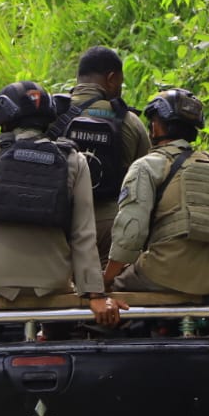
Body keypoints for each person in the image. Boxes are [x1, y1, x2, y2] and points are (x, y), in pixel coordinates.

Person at [0, 82, 121, 326]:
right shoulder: (73, 159)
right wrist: (95, 293)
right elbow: (83, 234)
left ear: (3, 116)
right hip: (55, 283)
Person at [103, 89, 209, 296]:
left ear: (156, 127)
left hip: (163, 275)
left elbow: (130, 234)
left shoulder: (148, 166)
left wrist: (106, 280)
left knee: (104, 300)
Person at [54, 46, 151, 259]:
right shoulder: (129, 121)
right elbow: (147, 180)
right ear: (112, 78)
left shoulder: (51, 113)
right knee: (106, 288)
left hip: (57, 225)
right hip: (109, 227)